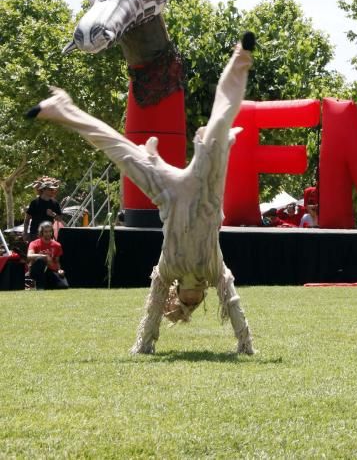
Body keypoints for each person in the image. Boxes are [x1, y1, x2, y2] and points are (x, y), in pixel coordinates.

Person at [26, 33, 259, 354]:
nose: (190, 301)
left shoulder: (169, 270)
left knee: (121, 150)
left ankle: (62, 108)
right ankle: (242, 56)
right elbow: (231, 302)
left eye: (185, 304)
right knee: (219, 123)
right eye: (194, 304)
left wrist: (145, 344)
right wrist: (246, 345)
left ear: (179, 294)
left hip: (171, 195)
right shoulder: (214, 270)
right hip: (204, 190)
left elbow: (154, 304)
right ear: (203, 294)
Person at [27, 221, 69, 290]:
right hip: (36, 270)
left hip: (51, 270)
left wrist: (59, 270)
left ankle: (46, 284)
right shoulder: (34, 243)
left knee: (63, 286)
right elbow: (29, 256)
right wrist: (44, 257)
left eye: (50, 231)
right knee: (40, 260)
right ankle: (40, 288)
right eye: (46, 232)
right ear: (41, 232)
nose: (48, 233)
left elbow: (57, 261)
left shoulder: (57, 245)